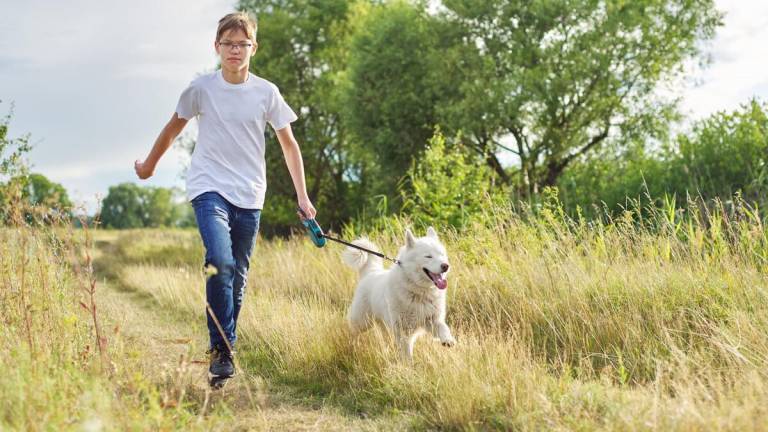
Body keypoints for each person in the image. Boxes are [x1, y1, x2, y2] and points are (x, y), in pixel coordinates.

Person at [134, 11, 316, 384]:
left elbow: (289, 145)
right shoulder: (201, 88)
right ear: (216, 47)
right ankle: (223, 350)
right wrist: (150, 166)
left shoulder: (267, 92)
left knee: (238, 273)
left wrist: (303, 197)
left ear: (254, 47)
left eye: (242, 43)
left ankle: (223, 345)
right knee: (220, 260)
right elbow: (173, 128)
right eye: (228, 43)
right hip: (208, 186)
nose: (235, 50)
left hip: (250, 194)